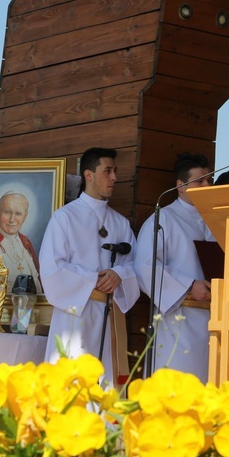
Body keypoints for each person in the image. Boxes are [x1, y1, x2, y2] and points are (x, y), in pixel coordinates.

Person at [40, 147, 139, 387]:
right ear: (89, 175)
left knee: (106, 386)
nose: (114, 177)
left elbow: (137, 265)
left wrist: (119, 274)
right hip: (75, 313)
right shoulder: (64, 217)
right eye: (107, 171)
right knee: (74, 382)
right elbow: (52, 267)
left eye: (115, 171)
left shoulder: (120, 223)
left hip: (110, 314)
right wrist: (93, 280)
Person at [134, 153, 215, 382]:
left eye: (209, 180)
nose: (206, 185)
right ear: (181, 186)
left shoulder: (216, 218)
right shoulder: (163, 219)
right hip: (180, 320)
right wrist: (189, 286)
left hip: (216, 321)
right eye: (200, 180)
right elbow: (145, 266)